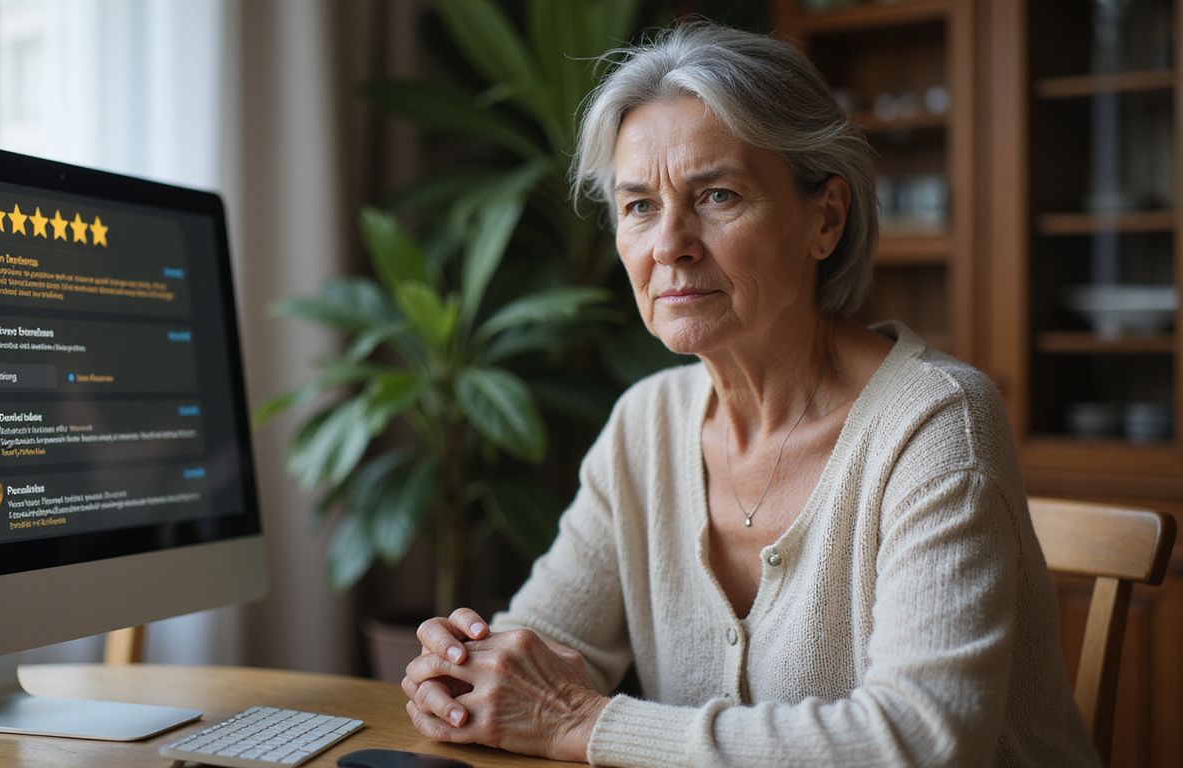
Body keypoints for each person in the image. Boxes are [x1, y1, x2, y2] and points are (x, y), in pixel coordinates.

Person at [400, 23, 1098, 766]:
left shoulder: (936, 424)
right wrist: (466, 669)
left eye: (717, 195)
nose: (669, 244)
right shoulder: (646, 424)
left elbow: (920, 742)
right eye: (639, 206)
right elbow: (541, 649)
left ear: (825, 219)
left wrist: (584, 723)